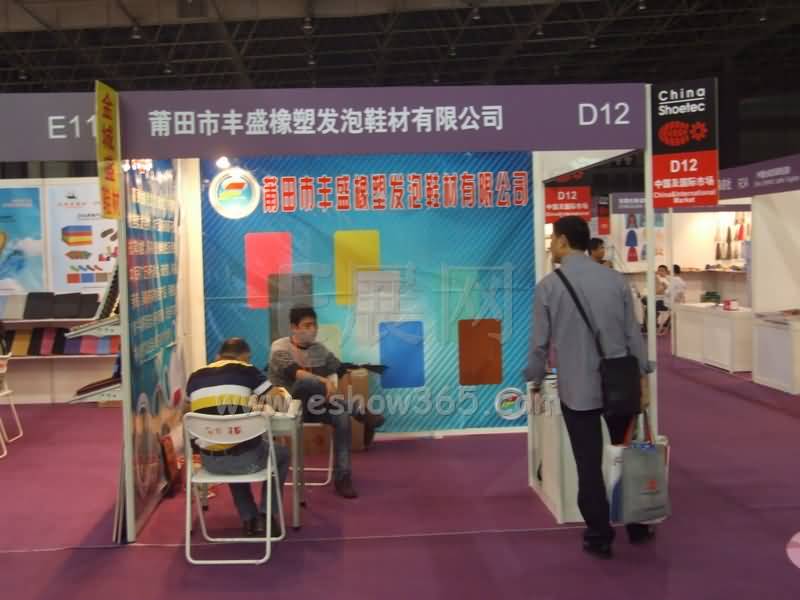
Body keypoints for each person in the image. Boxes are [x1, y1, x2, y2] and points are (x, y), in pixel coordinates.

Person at [524, 216, 654, 559]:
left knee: (588, 463)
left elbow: (539, 344)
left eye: (553, 240)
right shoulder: (615, 280)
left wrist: (534, 378)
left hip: (577, 388)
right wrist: (643, 376)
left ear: (563, 241)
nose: (551, 247)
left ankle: (599, 535)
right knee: (626, 454)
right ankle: (637, 524)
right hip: (621, 383)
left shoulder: (548, 287)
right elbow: (633, 334)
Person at [267, 305, 385, 499]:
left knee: (341, 416)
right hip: (288, 408)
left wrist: (342, 381)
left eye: (315, 325)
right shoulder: (279, 347)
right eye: (307, 325)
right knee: (305, 383)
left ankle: (343, 478)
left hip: (316, 407)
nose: (313, 329)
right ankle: (359, 411)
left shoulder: (319, 350)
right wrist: (324, 382)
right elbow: (295, 373)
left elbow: (339, 368)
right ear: (294, 327)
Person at [186, 337, 290, 538]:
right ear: (245, 357)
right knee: (281, 454)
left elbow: (188, 413)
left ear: (218, 356)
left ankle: (249, 519)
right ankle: (267, 516)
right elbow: (280, 404)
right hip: (246, 461)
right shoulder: (247, 370)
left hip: (209, 464)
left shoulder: (194, 377)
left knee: (228, 441)